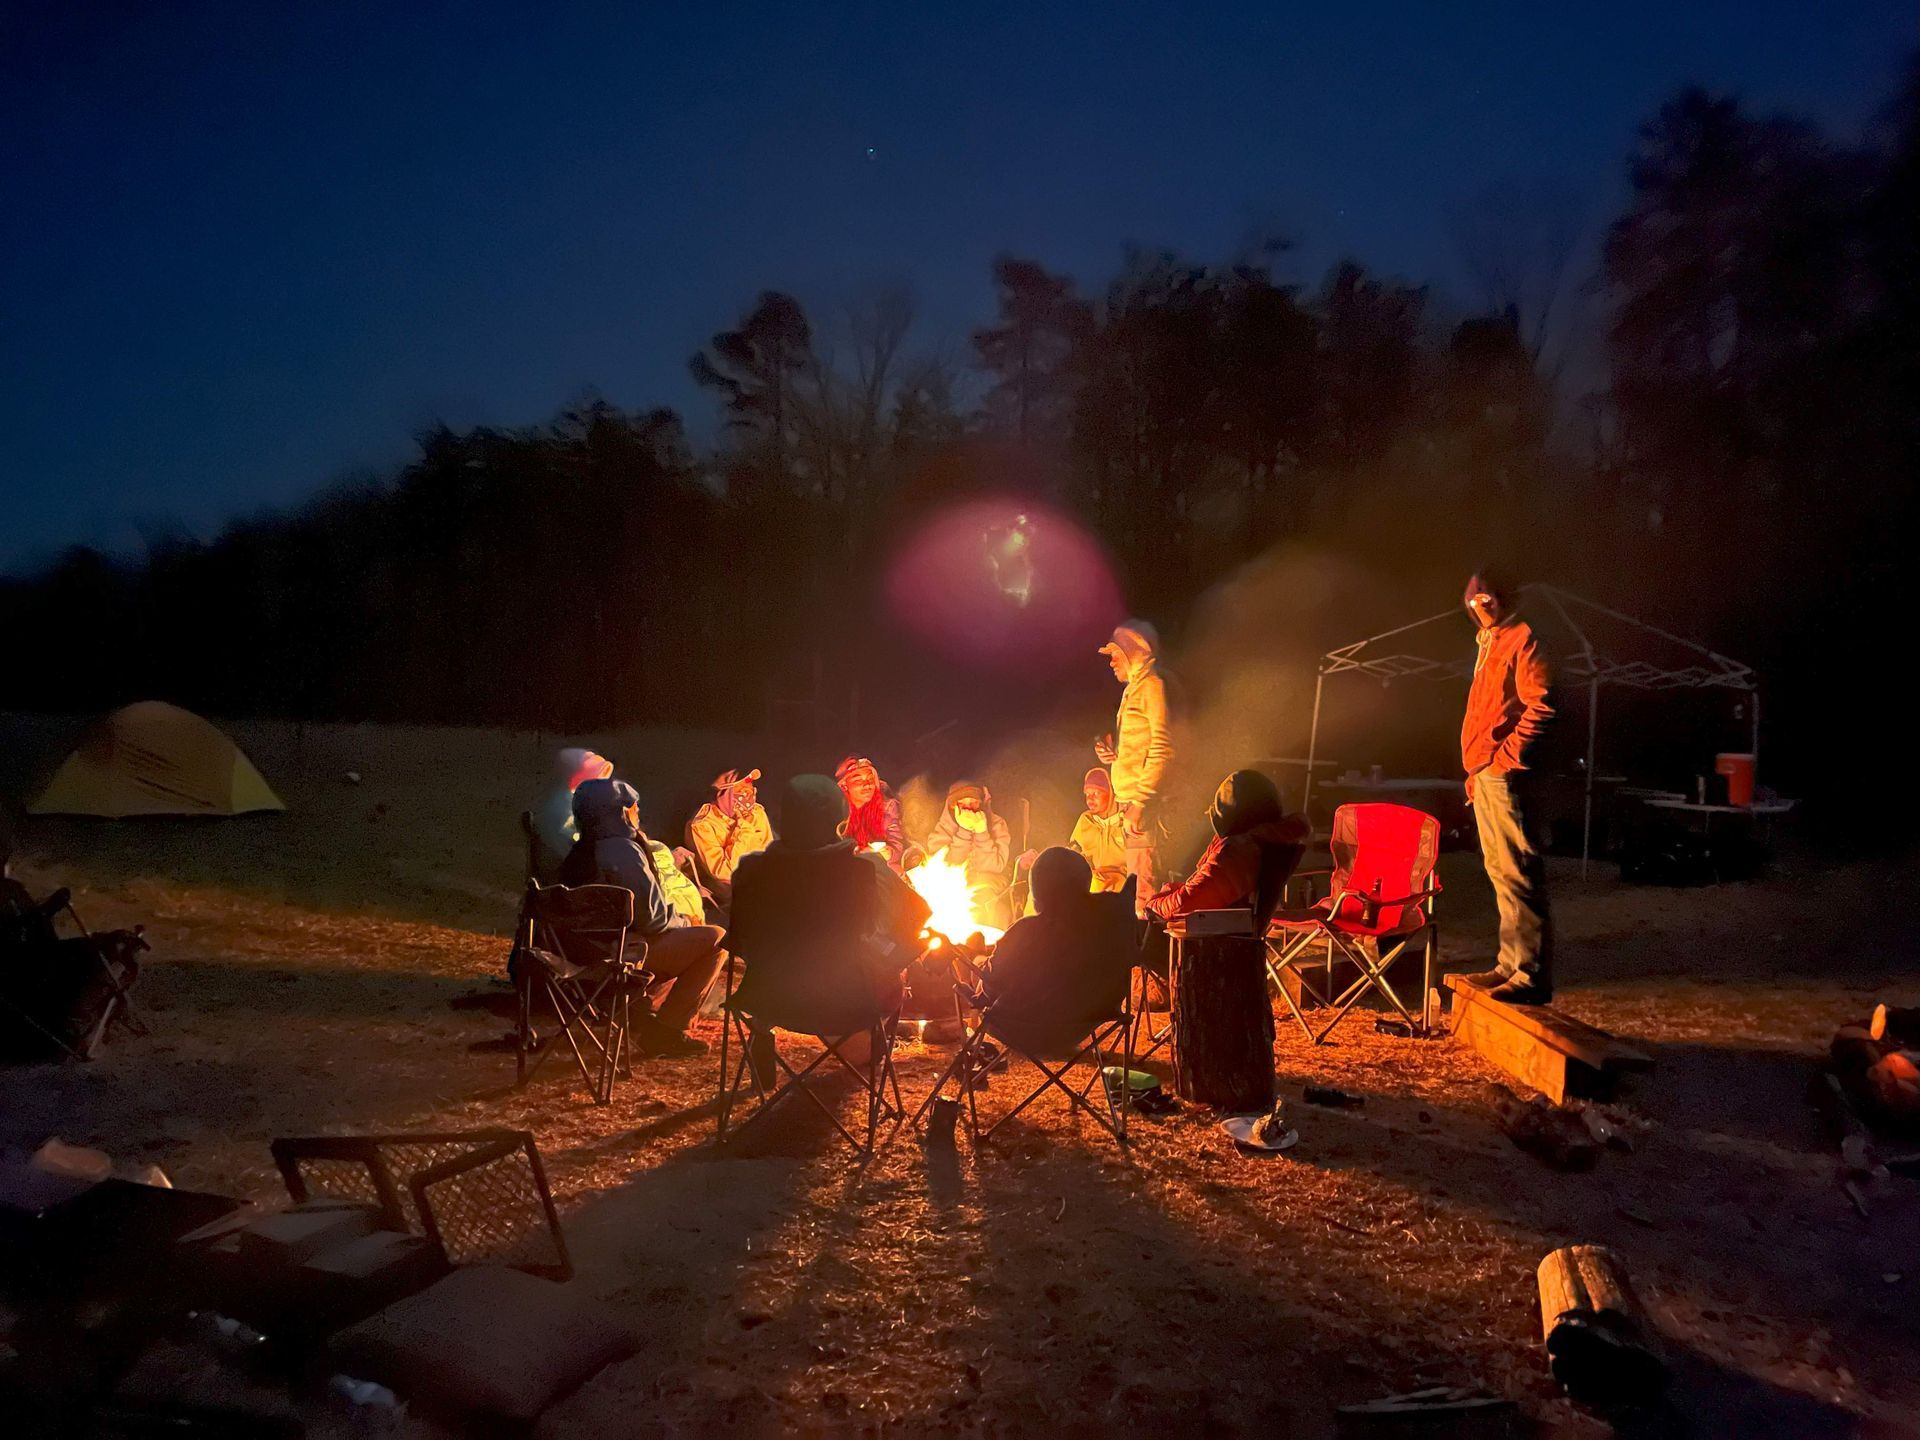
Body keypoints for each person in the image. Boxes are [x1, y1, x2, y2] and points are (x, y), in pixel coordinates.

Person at [727, 775, 931, 1086]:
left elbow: (740, 941)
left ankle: (761, 1033)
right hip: (846, 1001)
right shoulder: (862, 869)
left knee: (781, 958)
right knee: (893, 963)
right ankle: (872, 1047)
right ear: (838, 819)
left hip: (769, 999)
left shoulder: (752, 872)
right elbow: (917, 915)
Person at [560, 778, 724, 1057]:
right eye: (634, 808)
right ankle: (667, 1031)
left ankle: (640, 1011)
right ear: (621, 813)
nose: (638, 814)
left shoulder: (579, 851)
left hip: (579, 961)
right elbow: (654, 920)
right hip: (619, 958)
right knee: (715, 939)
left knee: (684, 940)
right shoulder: (623, 852)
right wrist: (684, 921)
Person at [1456, 568, 1556, 1005]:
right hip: (1486, 773)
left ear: (1505, 596)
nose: (1482, 607)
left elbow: (1543, 703)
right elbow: (1487, 712)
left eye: (1489, 599)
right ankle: (1508, 964)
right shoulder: (1490, 641)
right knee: (1500, 872)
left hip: (1506, 774)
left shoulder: (1524, 636)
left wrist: (1503, 762)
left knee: (1519, 870)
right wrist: (1476, 772)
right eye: (1475, 602)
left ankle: (1530, 974)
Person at [978, 847, 1138, 1056]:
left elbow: (993, 982)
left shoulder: (1026, 932)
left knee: (983, 965)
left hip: (1023, 1028)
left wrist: (979, 967)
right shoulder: (1111, 923)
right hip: (1085, 1022)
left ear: (1038, 890)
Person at [1145, 769, 1309, 926]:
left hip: (1216, 933)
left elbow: (1188, 903)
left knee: (1148, 922)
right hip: (1233, 924)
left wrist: (1155, 903)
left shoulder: (1238, 853)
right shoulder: (1271, 839)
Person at [1095, 620, 1173, 912]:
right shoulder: (1135, 689)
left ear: (1131, 652)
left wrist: (1141, 802)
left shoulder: (1152, 686)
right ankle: (1141, 949)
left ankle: (1147, 953)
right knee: (1137, 884)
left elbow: (1163, 748)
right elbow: (1142, 743)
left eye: (1115, 654)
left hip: (1144, 807)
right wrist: (1115, 754)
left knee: (1145, 889)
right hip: (1132, 804)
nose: (1111, 661)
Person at [686, 767, 774, 906]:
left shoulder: (757, 812)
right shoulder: (702, 825)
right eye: (741, 791)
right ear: (724, 794)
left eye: (750, 789)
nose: (748, 795)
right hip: (731, 891)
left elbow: (769, 853)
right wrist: (743, 829)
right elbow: (725, 872)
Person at [531, 748, 614, 875]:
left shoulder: (571, 799)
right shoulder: (562, 805)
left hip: (568, 862)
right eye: (593, 776)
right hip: (563, 869)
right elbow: (565, 839)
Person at [925, 782, 1013, 891]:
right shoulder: (943, 829)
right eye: (962, 803)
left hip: (988, 888)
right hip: (952, 888)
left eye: (973, 802)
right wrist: (964, 831)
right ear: (952, 806)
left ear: (980, 803)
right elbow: (948, 869)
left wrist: (982, 832)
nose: (968, 808)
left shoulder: (997, 824)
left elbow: (995, 866)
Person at [834, 756, 916, 871]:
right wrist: (857, 853)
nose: (867, 785)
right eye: (858, 780)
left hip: (882, 870)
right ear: (845, 786)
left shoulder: (887, 808)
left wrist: (888, 852)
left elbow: (897, 845)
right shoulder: (836, 813)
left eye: (870, 779)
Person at [1068, 767, 1130, 893]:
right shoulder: (1086, 820)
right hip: (1089, 876)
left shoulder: (1126, 821)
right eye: (1087, 794)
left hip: (1119, 881)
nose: (1090, 799)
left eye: (1096, 793)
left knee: (1094, 887)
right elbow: (1073, 849)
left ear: (1111, 793)